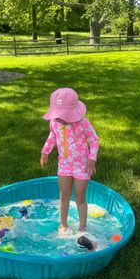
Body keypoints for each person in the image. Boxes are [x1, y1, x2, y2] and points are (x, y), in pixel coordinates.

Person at [40, 88, 99, 233]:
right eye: (56, 114)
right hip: (64, 165)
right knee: (64, 195)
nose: (58, 118)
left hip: (82, 166)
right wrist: (45, 151)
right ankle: (63, 224)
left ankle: (82, 226)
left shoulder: (83, 123)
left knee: (79, 197)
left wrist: (92, 159)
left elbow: (94, 140)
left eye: (61, 115)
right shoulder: (54, 123)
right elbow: (52, 136)